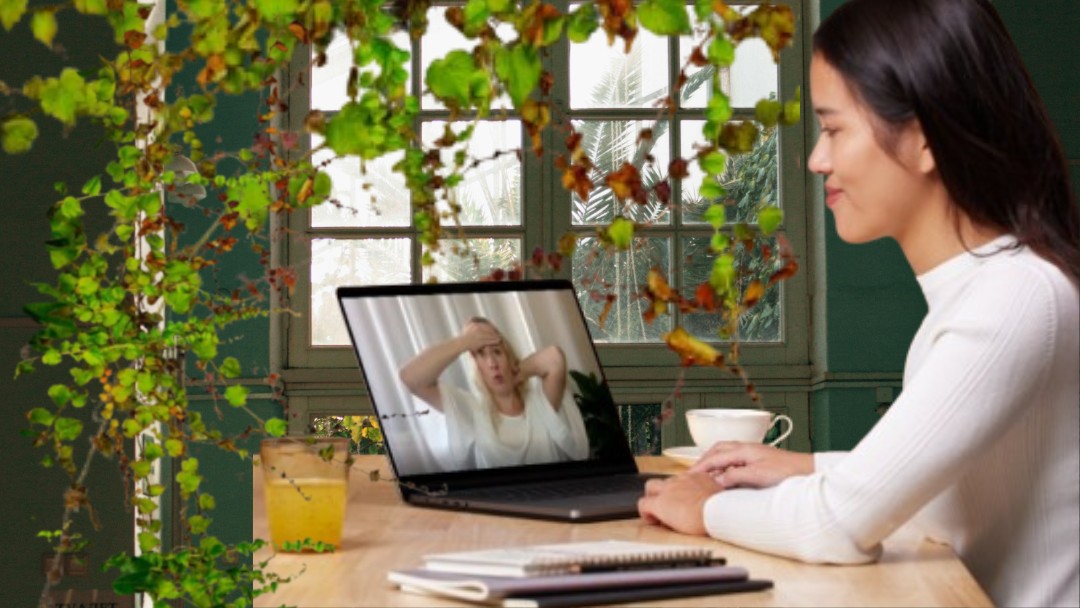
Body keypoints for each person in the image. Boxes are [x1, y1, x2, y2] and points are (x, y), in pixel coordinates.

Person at [637, 1, 1080, 606]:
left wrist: (709, 507)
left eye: (835, 128)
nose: (818, 159)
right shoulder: (992, 291)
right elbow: (948, 484)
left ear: (924, 139)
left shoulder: (1014, 298)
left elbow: (839, 525)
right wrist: (811, 465)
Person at [399, 317, 590, 468]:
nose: (492, 363)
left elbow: (554, 359)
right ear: (476, 366)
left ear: (509, 356)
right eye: (481, 354)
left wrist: (516, 372)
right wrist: (465, 342)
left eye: (497, 352)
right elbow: (411, 377)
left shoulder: (540, 403)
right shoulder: (471, 410)